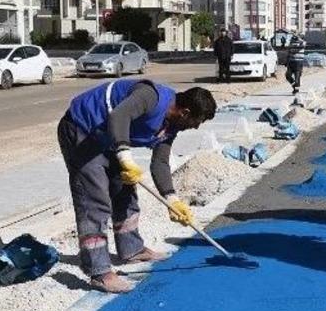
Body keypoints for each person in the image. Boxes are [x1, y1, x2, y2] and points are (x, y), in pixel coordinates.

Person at [57, 80, 217, 293]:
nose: (196, 127)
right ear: (185, 112)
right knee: (94, 200)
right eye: (198, 121)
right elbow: (119, 116)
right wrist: (125, 157)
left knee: (125, 192)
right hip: (82, 129)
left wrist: (172, 200)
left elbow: (160, 163)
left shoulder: (170, 126)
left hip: (108, 138)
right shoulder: (151, 97)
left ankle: (132, 249)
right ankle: (99, 272)